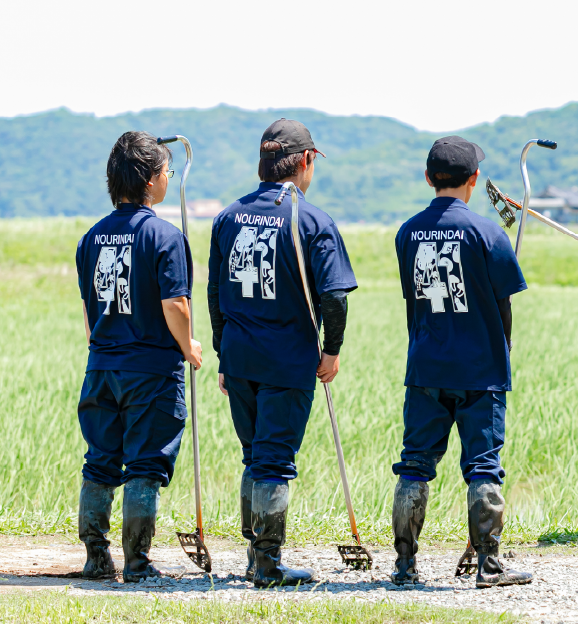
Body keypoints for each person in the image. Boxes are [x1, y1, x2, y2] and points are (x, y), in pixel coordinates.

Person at [207, 119, 356, 588]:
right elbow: (334, 296)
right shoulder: (313, 221)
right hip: (287, 360)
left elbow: (214, 293)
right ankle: (269, 565)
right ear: (306, 160)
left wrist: (223, 354)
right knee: (273, 460)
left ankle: (255, 555)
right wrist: (331, 350)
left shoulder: (228, 217)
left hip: (239, 355)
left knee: (254, 455)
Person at [391, 136, 532, 588]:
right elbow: (503, 305)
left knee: (414, 464)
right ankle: (490, 566)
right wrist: (503, 351)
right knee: (484, 465)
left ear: (428, 178)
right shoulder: (488, 232)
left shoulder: (407, 232)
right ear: (474, 179)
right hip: (481, 369)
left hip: (427, 365)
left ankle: (404, 566)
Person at [75, 131, 202, 582]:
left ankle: (95, 557)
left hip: (102, 368)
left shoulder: (91, 239)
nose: (168, 178)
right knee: (145, 466)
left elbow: (91, 314)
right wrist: (189, 346)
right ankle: (138, 564)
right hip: (151, 372)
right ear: (150, 180)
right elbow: (175, 304)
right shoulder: (165, 238)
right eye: (165, 171)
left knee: (100, 461)